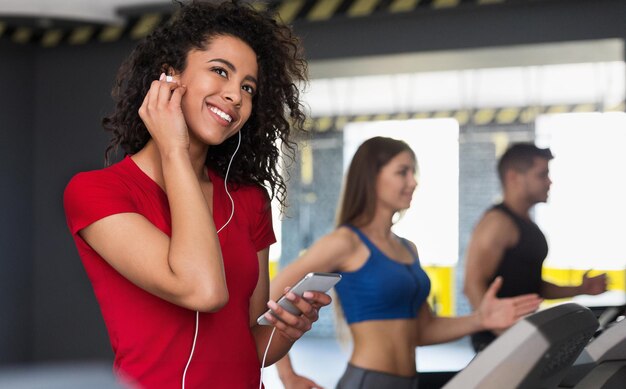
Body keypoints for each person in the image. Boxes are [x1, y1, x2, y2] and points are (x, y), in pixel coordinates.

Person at [63, 2, 331, 388]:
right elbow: (202, 289)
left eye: (248, 87)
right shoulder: (96, 192)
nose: (235, 96)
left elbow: (248, 345)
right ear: (170, 77)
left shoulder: (250, 201)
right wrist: (173, 149)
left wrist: (289, 329)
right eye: (220, 71)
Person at [263, 137, 543, 389]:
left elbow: (422, 329)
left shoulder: (408, 248)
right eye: (402, 172)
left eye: (413, 172)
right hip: (368, 382)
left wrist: (480, 319)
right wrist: (288, 375)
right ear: (372, 178)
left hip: (410, 381)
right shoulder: (346, 242)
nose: (413, 181)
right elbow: (272, 294)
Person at [463, 142, 608, 352]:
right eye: (542, 175)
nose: (549, 182)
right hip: (497, 345)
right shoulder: (497, 223)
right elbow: (472, 285)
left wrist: (580, 289)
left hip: (524, 339)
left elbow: (533, 287)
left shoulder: (526, 224)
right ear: (514, 177)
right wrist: (504, 334)